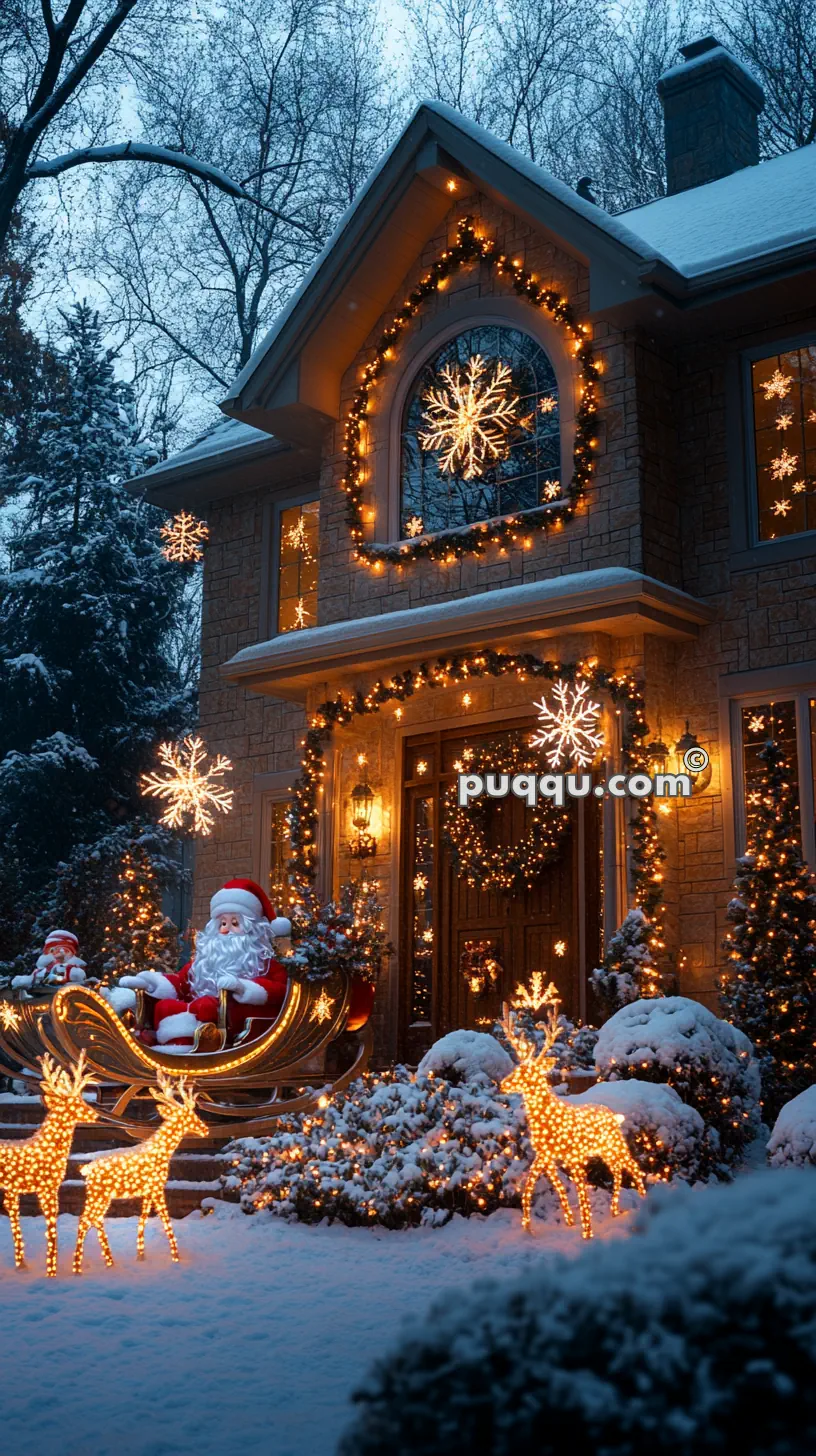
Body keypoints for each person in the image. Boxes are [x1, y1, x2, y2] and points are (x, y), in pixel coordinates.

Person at [118, 879, 291, 1049]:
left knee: (207, 1005)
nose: (226, 929)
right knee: (166, 1005)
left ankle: (197, 1046)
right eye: (223, 923)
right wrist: (151, 984)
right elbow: (181, 981)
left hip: (234, 1023)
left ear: (253, 929)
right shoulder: (203, 962)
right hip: (199, 1013)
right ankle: (173, 1048)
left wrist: (243, 988)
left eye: (235, 923)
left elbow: (280, 991)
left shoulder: (265, 964)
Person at [12, 930, 87, 992]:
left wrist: (59, 974)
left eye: (64, 949)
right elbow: (32, 979)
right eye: (52, 950)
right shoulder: (44, 969)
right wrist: (19, 981)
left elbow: (78, 975)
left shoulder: (72, 968)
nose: (57, 953)